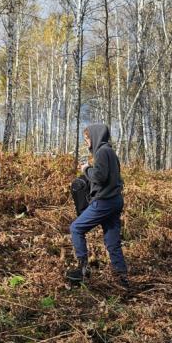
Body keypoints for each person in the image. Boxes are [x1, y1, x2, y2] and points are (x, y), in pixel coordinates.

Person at [67, 123, 128, 289]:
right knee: (112, 241)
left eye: (87, 138)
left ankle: (82, 269)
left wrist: (86, 169)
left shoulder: (101, 152)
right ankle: (122, 277)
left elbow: (100, 177)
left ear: (95, 136)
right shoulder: (110, 152)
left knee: (76, 228)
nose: (86, 142)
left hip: (105, 202)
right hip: (115, 200)